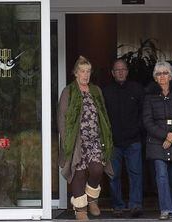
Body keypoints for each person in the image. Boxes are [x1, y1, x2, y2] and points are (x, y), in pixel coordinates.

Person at [57, 56, 113, 220]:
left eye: (88, 71)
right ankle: (80, 210)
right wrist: (67, 141)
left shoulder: (96, 90)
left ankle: (91, 198)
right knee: (78, 173)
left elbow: (103, 114)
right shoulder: (68, 91)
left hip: (95, 138)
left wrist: (106, 134)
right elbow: (62, 117)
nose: (85, 75)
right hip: (76, 141)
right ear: (75, 73)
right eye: (82, 71)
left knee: (97, 168)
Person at [142, 61, 172, 220]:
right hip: (157, 143)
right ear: (155, 78)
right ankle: (165, 209)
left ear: (170, 76)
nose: (162, 76)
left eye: (165, 73)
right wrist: (165, 136)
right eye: (158, 74)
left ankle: (171, 208)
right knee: (161, 177)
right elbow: (147, 121)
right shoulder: (149, 96)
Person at [103, 59, 145, 218]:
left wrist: (138, 130)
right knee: (114, 176)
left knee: (135, 175)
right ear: (112, 73)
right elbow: (103, 117)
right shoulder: (106, 92)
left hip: (133, 141)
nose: (120, 72)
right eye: (117, 70)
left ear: (127, 71)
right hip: (113, 143)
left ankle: (135, 205)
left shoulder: (137, 89)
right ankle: (118, 206)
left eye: (123, 69)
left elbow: (144, 113)